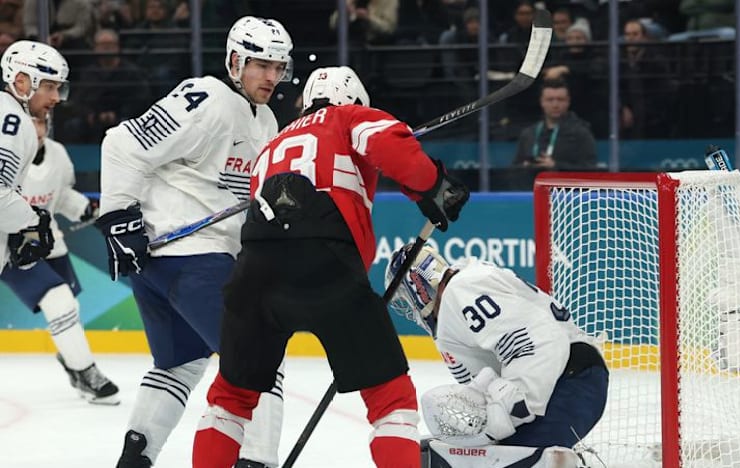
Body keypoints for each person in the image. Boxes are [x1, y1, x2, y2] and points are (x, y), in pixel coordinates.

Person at [191, 65, 470, 468]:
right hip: (325, 263)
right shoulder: (349, 116)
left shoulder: (272, 144)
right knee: (390, 398)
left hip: (254, 269)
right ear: (355, 99)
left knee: (229, 399)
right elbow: (391, 146)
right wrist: (434, 187)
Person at [94, 16, 294, 468]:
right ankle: (257, 460)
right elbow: (122, 143)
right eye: (262, 65)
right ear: (235, 61)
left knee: (181, 363)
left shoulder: (265, 119)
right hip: (189, 258)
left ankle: (135, 459)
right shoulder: (206, 98)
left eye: (279, 67)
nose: (272, 76)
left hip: (174, 265)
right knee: (260, 351)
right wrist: (118, 218)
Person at [385, 244, 608, 455]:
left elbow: (539, 340)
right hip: (568, 378)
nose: (412, 309)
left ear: (419, 286)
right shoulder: (464, 290)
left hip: (571, 381)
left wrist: (510, 409)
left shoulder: (461, 291)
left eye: (407, 296)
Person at [1, 116, 118, 404]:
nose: (36, 129)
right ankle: (86, 371)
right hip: (12, 248)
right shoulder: (6, 153)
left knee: (69, 308)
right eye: (30, 122)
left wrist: (87, 209)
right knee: (59, 300)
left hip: (49, 242)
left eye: (40, 123)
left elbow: (61, 194)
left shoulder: (58, 154)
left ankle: (74, 365)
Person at [0, 40, 68, 310]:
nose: (56, 97)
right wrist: (32, 222)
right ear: (21, 82)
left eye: (59, 88)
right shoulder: (13, 122)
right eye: (49, 87)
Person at [513, 79, 597, 169]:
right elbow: (514, 168)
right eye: (550, 100)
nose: (555, 105)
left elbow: (590, 168)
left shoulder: (581, 133)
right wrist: (524, 167)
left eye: (560, 100)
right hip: (531, 178)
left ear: (568, 101)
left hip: (563, 178)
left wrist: (556, 166)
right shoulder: (529, 134)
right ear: (542, 102)